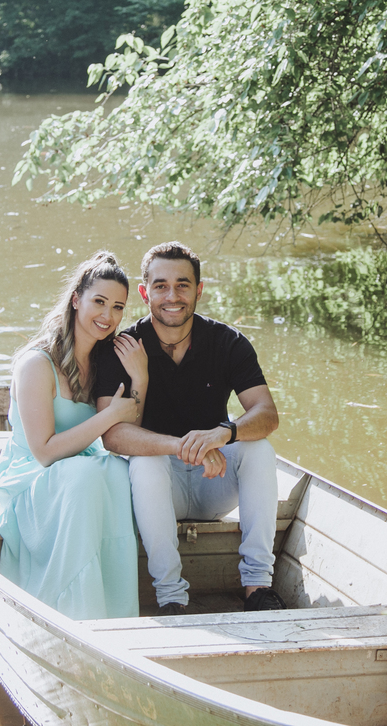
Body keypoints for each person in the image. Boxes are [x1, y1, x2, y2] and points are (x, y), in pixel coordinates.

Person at [93, 241, 283, 615]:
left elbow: (267, 413)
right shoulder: (123, 348)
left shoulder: (228, 342)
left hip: (215, 479)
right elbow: (113, 436)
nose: (172, 296)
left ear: (199, 290)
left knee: (259, 448)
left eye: (183, 285)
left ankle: (258, 587)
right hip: (157, 490)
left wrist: (224, 433)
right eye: (161, 286)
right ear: (145, 293)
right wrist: (184, 446)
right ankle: (171, 597)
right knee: (145, 462)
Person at [0, 251, 148, 620]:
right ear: (76, 299)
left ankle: (117, 614)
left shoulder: (106, 362)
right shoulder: (36, 364)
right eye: (99, 302)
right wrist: (108, 415)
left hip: (80, 473)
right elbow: (44, 452)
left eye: (118, 307)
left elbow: (127, 431)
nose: (108, 316)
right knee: (84, 475)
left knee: (117, 472)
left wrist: (139, 378)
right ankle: (74, 612)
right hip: (31, 479)